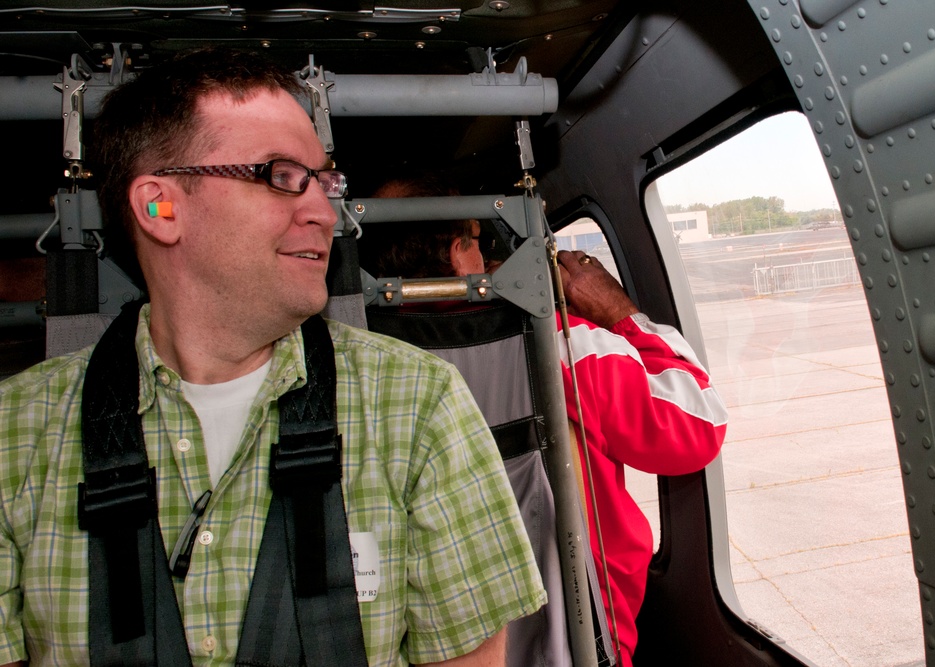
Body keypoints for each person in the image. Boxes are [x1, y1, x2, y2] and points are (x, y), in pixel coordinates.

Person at [0, 49, 546, 666]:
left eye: (324, 181)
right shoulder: (15, 433)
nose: (324, 212)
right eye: (281, 176)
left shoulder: (420, 405)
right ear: (159, 206)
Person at [364, 176, 729, 667]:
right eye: (478, 242)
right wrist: (616, 310)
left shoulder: (353, 363)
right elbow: (698, 423)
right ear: (456, 255)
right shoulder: (559, 344)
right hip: (575, 638)